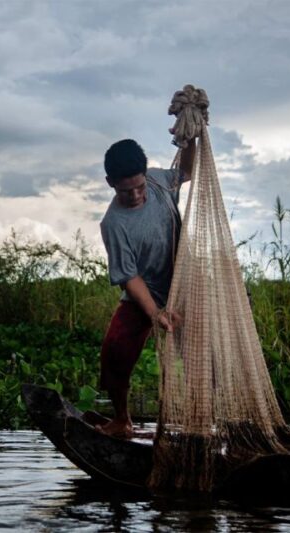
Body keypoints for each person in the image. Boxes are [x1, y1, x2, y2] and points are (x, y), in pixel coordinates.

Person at [96, 137, 196, 438]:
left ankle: (202, 422)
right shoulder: (113, 223)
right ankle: (121, 420)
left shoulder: (158, 180)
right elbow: (130, 277)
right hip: (145, 292)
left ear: (145, 175)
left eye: (139, 187)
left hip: (186, 284)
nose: (137, 195)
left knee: (201, 358)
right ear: (111, 183)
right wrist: (155, 313)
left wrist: (190, 138)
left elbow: (188, 170)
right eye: (126, 191)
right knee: (114, 351)